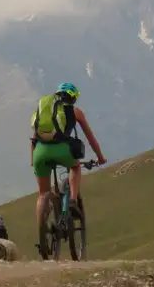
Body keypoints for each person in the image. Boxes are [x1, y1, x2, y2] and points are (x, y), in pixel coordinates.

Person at [30, 82, 106, 227]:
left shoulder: (45, 112)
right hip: (63, 151)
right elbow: (90, 138)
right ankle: (72, 200)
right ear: (73, 98)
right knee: (75, 167)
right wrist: (100, 157)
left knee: (42, 194)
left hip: (40, 152)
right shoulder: (76, 112)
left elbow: (34, 138)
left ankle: (42, 231)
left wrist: (32, 159)